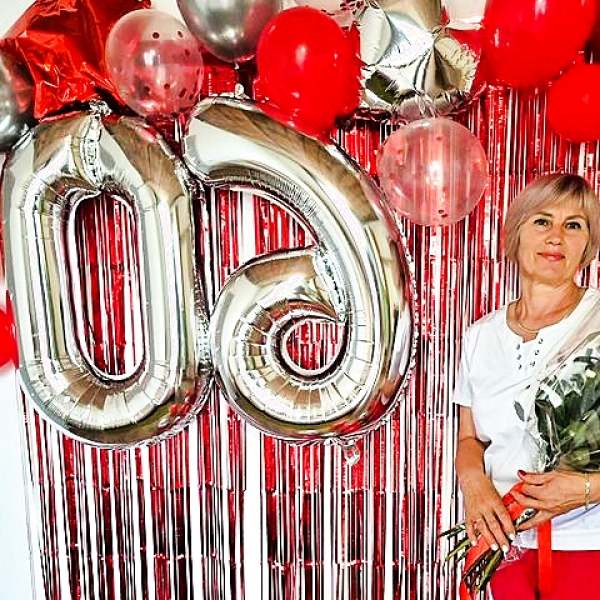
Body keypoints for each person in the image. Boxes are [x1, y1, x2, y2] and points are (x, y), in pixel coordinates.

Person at [454, 173, 600, 598]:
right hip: (505, 542)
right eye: (542, 221)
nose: (556, 237)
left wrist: (587, 489)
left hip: (589, 543)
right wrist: (475, 486)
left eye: (574, 225)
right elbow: (469, 438)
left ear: (588, 245)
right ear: (515, 234)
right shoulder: (480, 336)